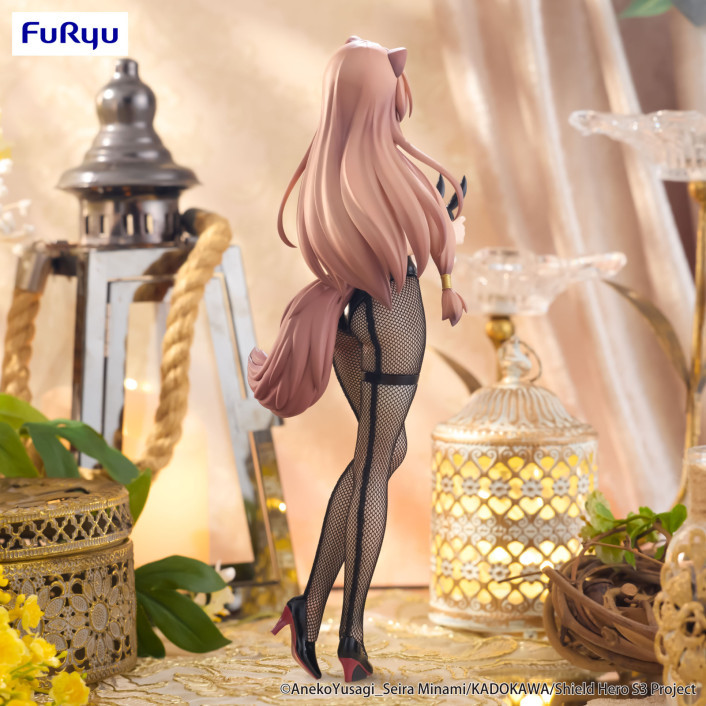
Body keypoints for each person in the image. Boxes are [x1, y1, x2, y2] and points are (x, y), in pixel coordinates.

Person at [248, 36, 466, 682]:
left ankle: (308, 606)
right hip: (394, 318)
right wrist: (450, 244)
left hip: (351, 319)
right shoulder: (390, 169)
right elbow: (433, 239)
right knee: (375, 467)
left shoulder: (333, 172)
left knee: (384, 452)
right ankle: (351, 636)